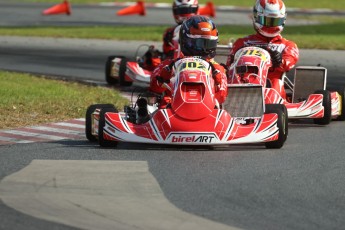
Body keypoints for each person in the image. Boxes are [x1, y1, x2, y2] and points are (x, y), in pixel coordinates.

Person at [226, 0, 299, 100]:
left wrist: (279, 61)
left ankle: (271, 106)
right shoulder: (242, 43)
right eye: (267, 21)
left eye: (275, 21)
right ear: (256, 17)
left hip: (271, 90)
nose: (270, 26)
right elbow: (229, 66)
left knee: (275, 82)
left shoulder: (287, 45)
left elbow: (288, 62)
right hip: (243, 84)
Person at [149, 15, 228, 108]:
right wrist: (165, 79)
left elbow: (221, 96)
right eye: (199, 43)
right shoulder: (169, 65)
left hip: (207, 112)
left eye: (208, 44)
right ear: (185, 41)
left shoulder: (217, 69)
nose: (204, 49)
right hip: (172, 110)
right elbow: (153, 87)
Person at [142, 0, 199, 71]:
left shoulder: (202, 29)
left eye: (188, 10)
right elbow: (166, 51)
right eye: (181, 11)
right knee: (151, 56)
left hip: (196, 60)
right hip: (173, 61)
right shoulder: (169, 32)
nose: (184, 14)